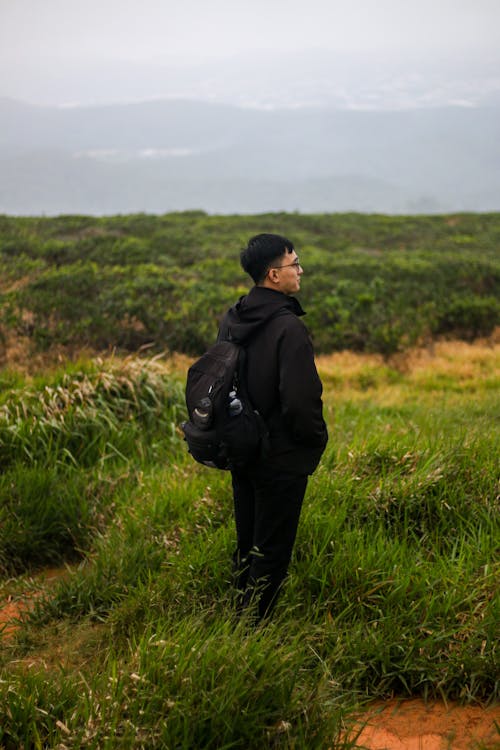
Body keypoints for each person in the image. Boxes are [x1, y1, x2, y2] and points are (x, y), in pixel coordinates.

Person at [217, 233, 328, 621]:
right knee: (273, 550)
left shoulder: (233, 319)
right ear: (273, 275)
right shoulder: (288, 329)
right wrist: (314, 443)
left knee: (247, 543)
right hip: (280, 457)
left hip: (241, 448)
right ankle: (253, 635)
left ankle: (238, 619)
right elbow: (300, 401)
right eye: (293, 264)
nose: (300, 270)